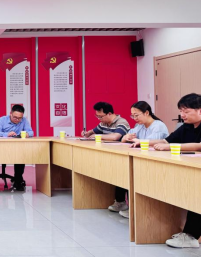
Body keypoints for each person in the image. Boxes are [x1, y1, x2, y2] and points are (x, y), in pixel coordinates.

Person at [133, 93, 201, 248]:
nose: (182, 115)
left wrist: (170, 146)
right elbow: (166, 141)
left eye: (186, 111)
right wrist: (143, 142)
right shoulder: (186, 126)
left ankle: (190, 236)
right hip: (188, 168)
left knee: (196, 193)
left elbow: (199, 146)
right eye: (181, 111)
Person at [115, 101, 169, 219]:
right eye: (132, 116)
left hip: (156, 161)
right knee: (123, 171)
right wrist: (125, 137)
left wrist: (135, 141)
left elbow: (149, 144)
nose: (134, 118)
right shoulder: (139, 126)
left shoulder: (158, 126)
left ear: (146, 113)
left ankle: (137, 209)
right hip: (141, 158)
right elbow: (126, 139)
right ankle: (128, 205)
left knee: (132, 175)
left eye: (136, 115)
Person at [82, 101, 130, 214]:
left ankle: (122, 202)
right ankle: (119, 202)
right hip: (108, 153)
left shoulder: (121, 122)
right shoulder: (103, 123)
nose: (99, 119)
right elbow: (92, 132)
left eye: (101, 116)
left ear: (109, 113)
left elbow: (115, 137)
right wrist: (87, 133)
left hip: (121, 156)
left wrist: (98, 135)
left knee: (120, 175)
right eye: (97, 116)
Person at [0, 104, 34, 192]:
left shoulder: (24, 120)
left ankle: (18, 181)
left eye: (19, 118)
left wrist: (27, 134)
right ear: (10, 113)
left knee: (20, 158)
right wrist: (6, 134)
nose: (17, 120)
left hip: (17, 148)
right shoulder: (2, 119)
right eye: (15, 117)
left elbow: (31, 132)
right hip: (0, 147)